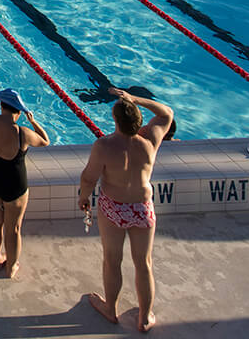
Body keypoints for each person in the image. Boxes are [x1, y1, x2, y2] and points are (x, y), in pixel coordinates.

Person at [79, 89, 175, 333]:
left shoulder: (104, 145)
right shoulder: (150, 141)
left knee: (112, 260)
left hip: (113, 207)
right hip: (142, 208)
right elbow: (166, 114)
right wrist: (135, 98)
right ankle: (144, 318)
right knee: (144, 263)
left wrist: (83, 197)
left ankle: (110, 309)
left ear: (115, 120)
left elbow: (89, 177)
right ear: (139, 120)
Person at [0, 89, 50, 276]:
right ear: (18, 112)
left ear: (1, 106)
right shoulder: (23, 133)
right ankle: (11, 267)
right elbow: (45, 141)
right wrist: (33, 122)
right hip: (14, 182)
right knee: (13, 228)